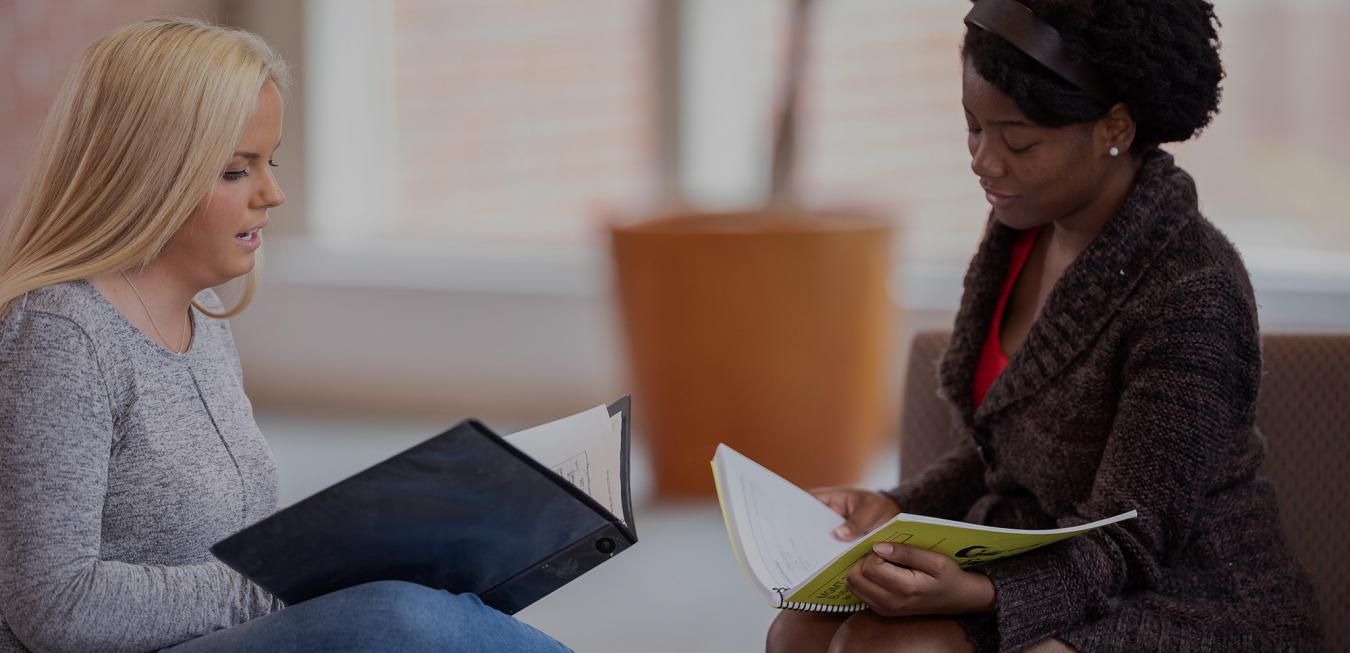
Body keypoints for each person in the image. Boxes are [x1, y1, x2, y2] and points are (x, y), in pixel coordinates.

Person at [767, 0, 1323, 651]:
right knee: (800, 626)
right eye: (972, 126)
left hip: (1184, 592)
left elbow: (1134, 535)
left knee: (895, 648)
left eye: (1018, 140)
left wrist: (988, 593)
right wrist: (894, 506)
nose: (984, 161)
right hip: (1044, 553)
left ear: (1114, 126)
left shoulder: (1192, 289)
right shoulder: (1020, 229)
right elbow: (1011, 457)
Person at [0, 18, 570, 653]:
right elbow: (52, 607)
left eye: (268, 162)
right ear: (147, 174)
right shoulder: (59, 336)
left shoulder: (203, 315)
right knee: (397, 619)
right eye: (235, 171)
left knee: (435, 599)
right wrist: (280, 588)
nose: (273, 193)